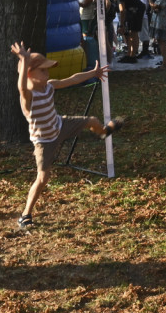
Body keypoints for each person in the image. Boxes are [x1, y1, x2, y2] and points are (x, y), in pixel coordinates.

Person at [11, 42, 122, 230]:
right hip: (44, 141)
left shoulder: (49, 86)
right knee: (43, 178)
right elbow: (21, 87)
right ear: (29, 74)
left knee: (92, 120)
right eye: (43, 71)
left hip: (60, 125)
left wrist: (92, 74)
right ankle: (25, 215)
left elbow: (71, 79)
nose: (47, 74)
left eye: (47, 71)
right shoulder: (28, 97)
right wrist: (24, 60)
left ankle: (104, 133)